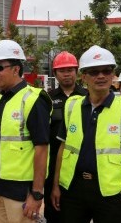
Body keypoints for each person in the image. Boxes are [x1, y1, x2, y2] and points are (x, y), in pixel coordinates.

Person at [0, 40, 52, 222]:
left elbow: (42, 149)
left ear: (16, 69)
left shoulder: (33, 100)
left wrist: (36, 194)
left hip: (18, 192)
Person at [51, 45, 121, 222]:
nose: (101, 76)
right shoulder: (72, 106)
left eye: (106, 71)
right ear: (83, 76)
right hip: (73, 188)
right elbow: (63, 148)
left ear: (113, 75)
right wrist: (56, 185)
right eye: (94, 72)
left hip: (111, 191)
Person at [45, 51, 86, 223]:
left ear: (77, 72)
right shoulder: (47, 99)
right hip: (54, 162)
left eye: (70, 69)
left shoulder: (87, 96)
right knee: (54, 211)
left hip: (81, 164)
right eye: (62, 70)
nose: (67, 74)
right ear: (55, 74)